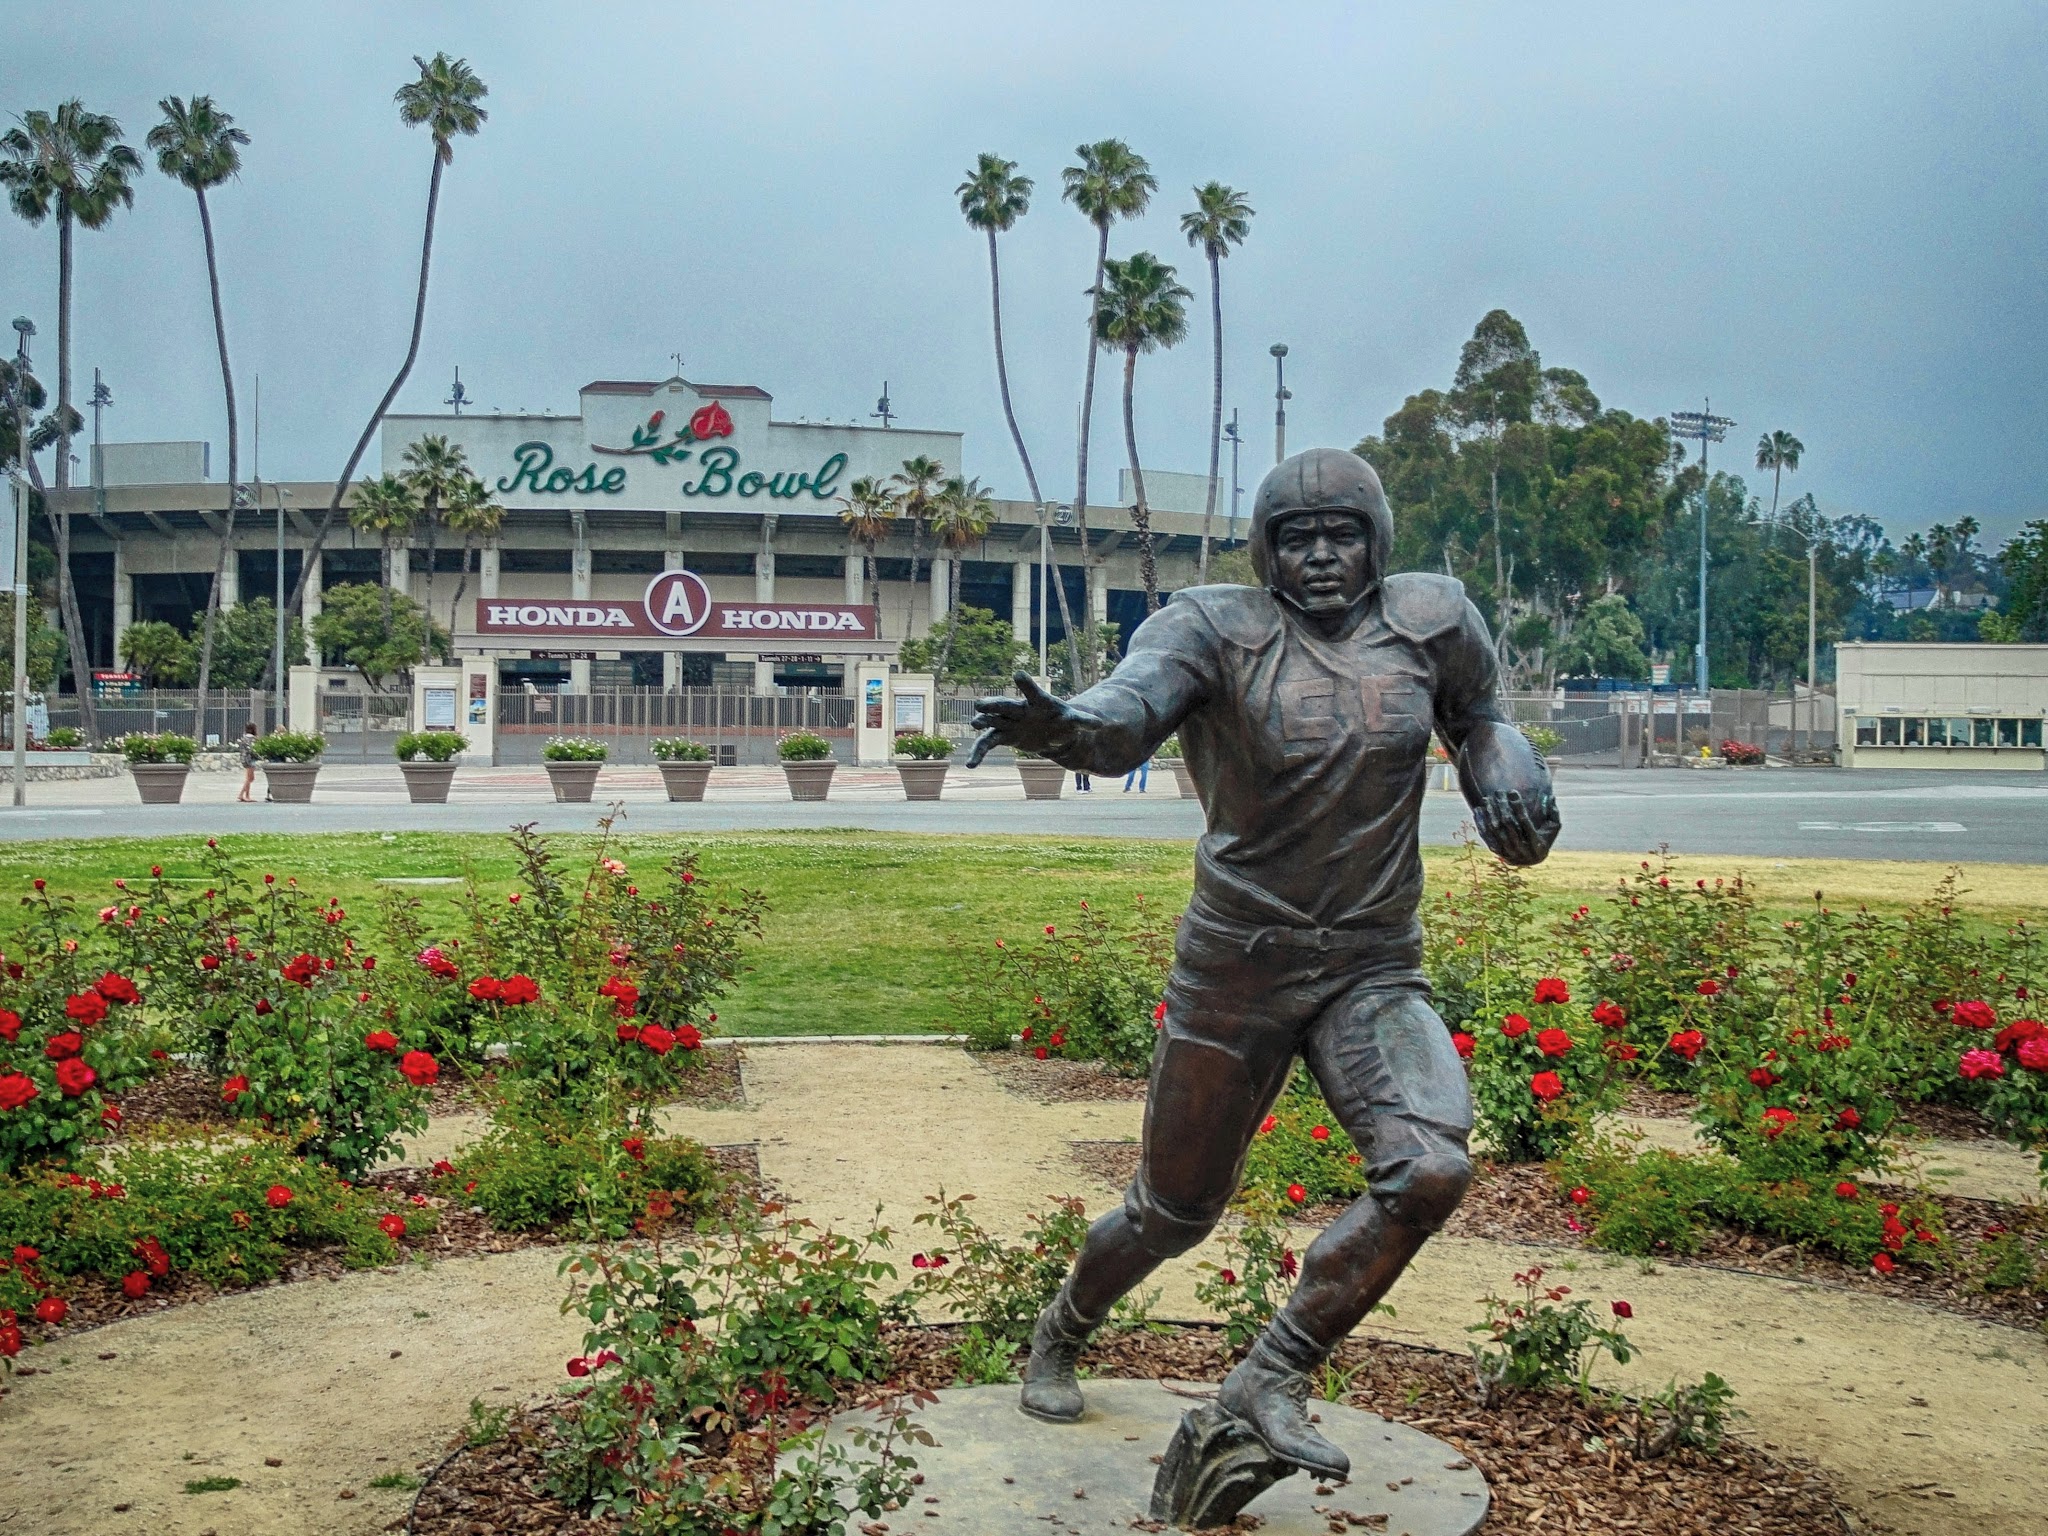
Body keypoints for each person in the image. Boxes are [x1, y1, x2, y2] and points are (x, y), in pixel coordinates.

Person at [968, 448, 1558, 1479]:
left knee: (1428, 1166)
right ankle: (1062, 1325)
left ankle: (1271, 1372)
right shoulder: (1214, 629)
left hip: (1370, 966)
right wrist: (1065, 726)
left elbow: (1481, 718)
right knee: (1171, 1212)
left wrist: (1508, 778)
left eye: (1341, 534)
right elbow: (1126, 713)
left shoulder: (1432, 620)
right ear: (1262, 546)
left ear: (1375, 539)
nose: (1320, 554)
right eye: (1295, 536)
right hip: (1236, 964)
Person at [236, 722, 259, 802]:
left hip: (244, 758)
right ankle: (244, 795)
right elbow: (253, 750)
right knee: (250, 778)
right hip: (250, 759)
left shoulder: (243, 738)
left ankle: (244, 795)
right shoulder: (253, 739)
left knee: (249, 778)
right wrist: (259, 756)